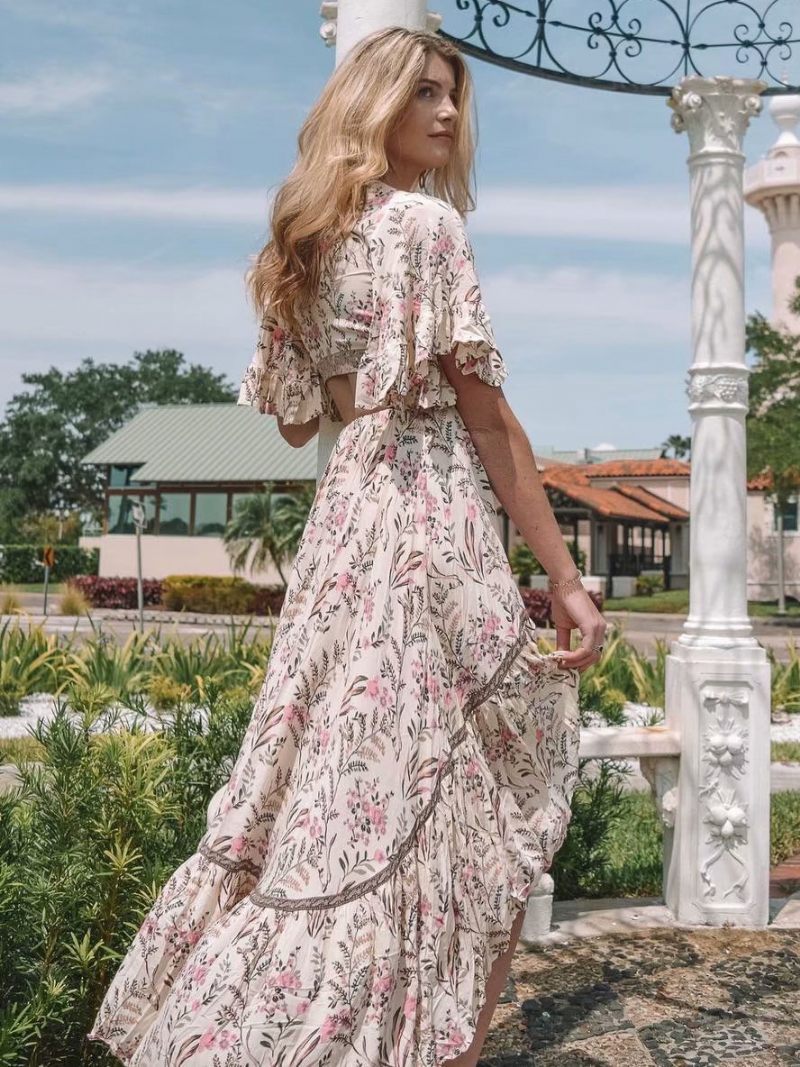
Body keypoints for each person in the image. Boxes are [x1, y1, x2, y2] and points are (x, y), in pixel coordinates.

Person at [88, 25, 606, 1067]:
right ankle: (438, 1043)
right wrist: (561, 573)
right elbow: (488, 416)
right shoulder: (427, 226)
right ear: (373, 103)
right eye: (425, 94)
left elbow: (291, 420)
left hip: (343, 531)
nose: (449, 116)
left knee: (336, 784)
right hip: (427, 519)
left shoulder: (305, 243)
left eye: (454, 98)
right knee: (496, 761)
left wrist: (356, 375)